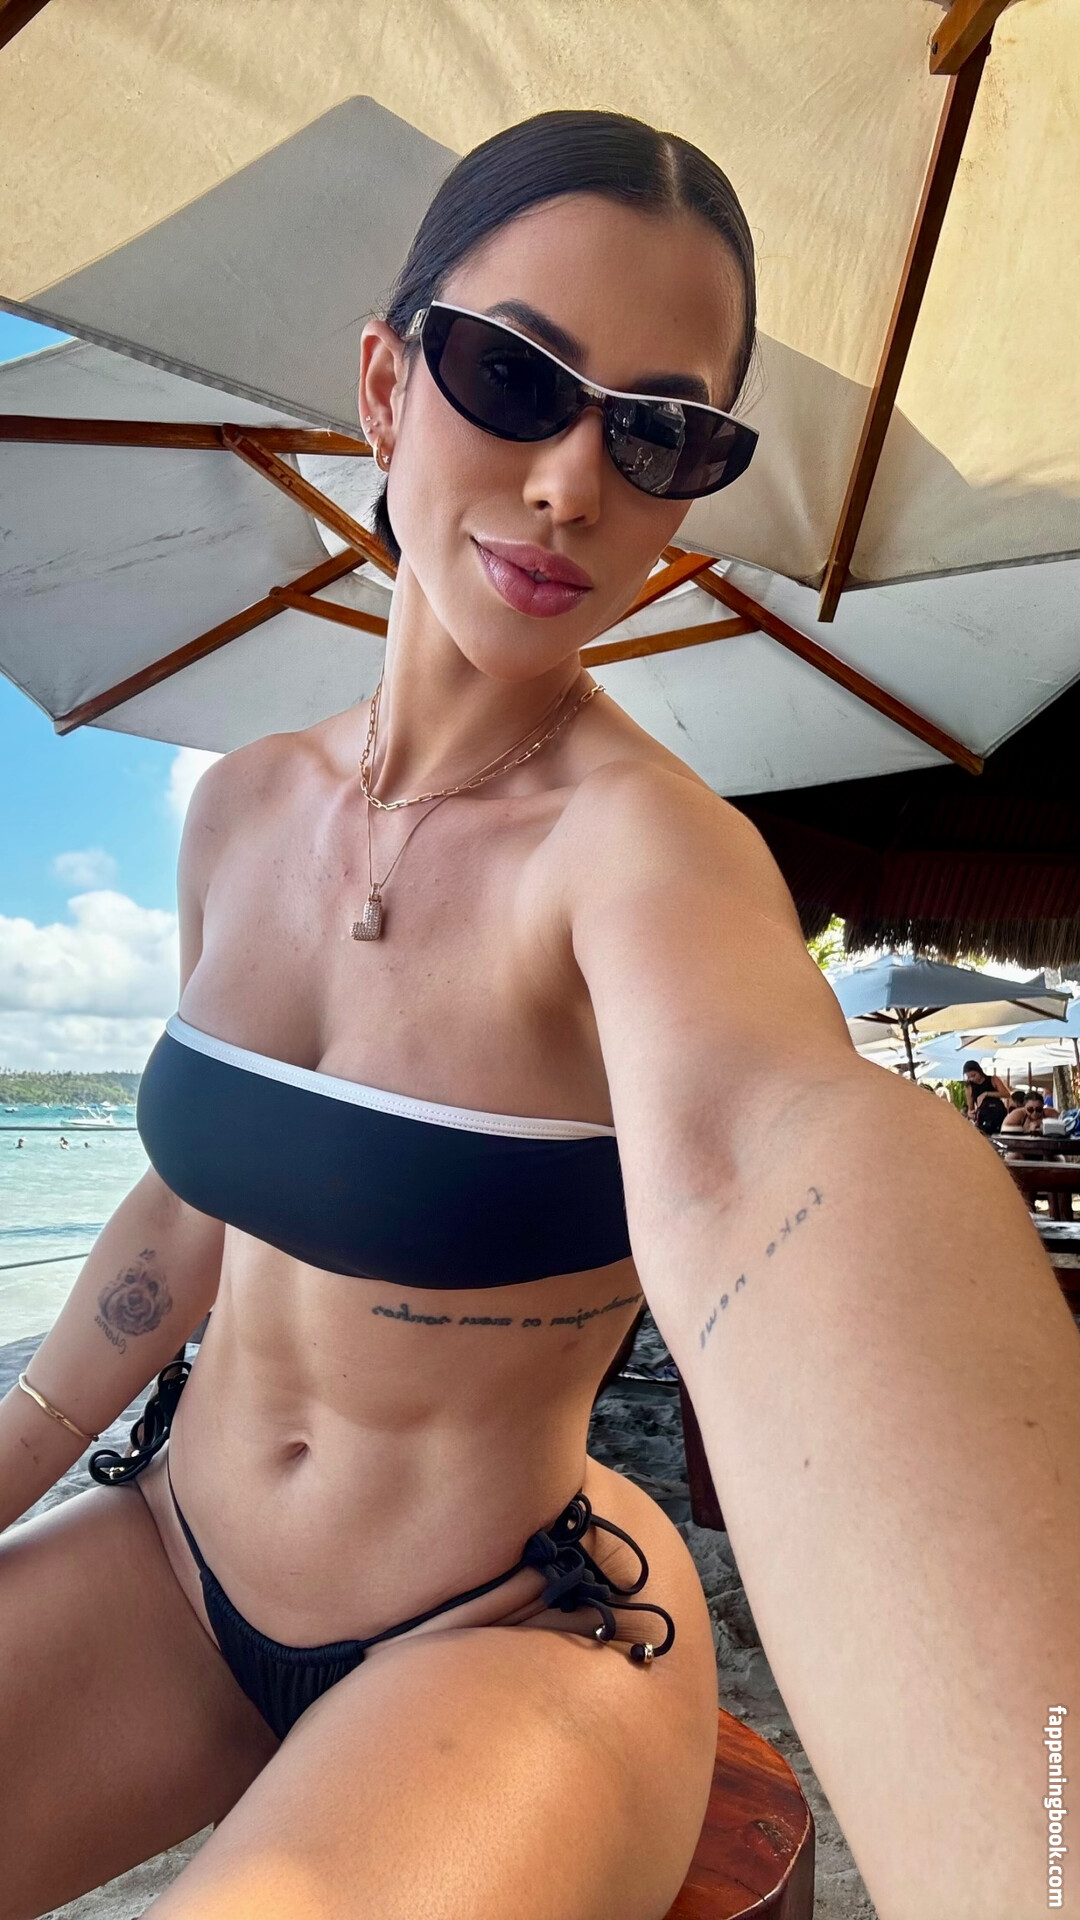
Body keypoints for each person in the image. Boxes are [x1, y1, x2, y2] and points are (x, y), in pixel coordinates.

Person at [0, 111, 1076, 1920]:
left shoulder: (651, 860)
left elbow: (771, 1161)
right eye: (515, 377)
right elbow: (191, 1212)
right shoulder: (242, 813)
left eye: (660, 433)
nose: (577, 483)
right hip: (174, 1560)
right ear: (384, 386)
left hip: (502, 1629)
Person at [961, 1058, 1009, 1126]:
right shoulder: (969, 1087)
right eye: (969, 1077)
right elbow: (971, 1108)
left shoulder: (993, 1079)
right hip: (983, 1117)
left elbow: (1007, 1094)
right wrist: (972, 1114)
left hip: (998, 1113)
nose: (972, 1079)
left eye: (974, 1075)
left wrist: (987, 1094)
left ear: (979, 1071)